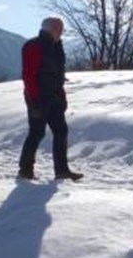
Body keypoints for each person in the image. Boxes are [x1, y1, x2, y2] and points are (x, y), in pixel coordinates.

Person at [17, 17, 83, 181]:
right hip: (38, 97)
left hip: (54, 97)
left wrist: (62, 96)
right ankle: (25, 170)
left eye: (61, 29)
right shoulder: (33, 46)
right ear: (50, 29)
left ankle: (62, 171)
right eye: (58, 28)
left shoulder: (56, 48)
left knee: (61, 131)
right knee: (36, 133)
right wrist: (34, 100)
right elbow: (28, 76)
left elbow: (58, 76)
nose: (61, 32)